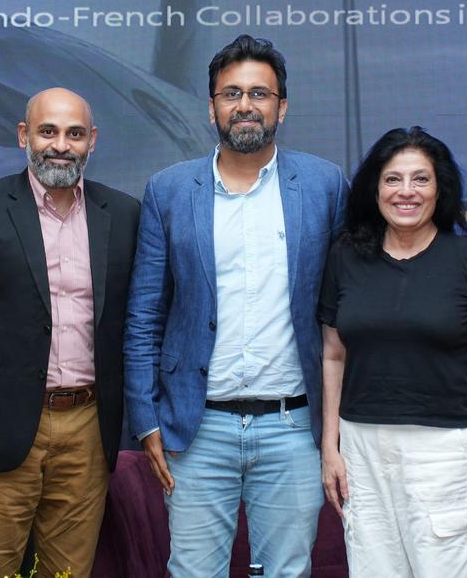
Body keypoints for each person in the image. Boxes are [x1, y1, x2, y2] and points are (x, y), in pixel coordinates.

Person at [124, 34, 349, 577]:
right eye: (231, 94)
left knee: (286, 572)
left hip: (293, 428)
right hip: (196, 430)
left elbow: (344, 311)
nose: (245, 105)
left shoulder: (324, 186)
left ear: (281, 107)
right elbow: (144, 315)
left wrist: (336, 430)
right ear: (211, 108)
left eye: (259, 94)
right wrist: (146, 421)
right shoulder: (168, 190)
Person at [0, 88, 140, 577]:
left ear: (92, 141)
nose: (60, 145)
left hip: (88, 427)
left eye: (74, 134)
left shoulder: (125, 215)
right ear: (24, 136)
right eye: (48, 131)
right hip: (2, 424)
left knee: (68, 572)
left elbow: (133, 321)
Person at [318, 126, 467, 577]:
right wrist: (330, 447)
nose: (405, 191)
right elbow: (333, 354)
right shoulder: (345, 257)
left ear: (439, 189)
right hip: (360, 447)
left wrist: (439, 396)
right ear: (375, 190)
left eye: (420, 179)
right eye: (392, 179)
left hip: (440, 450)